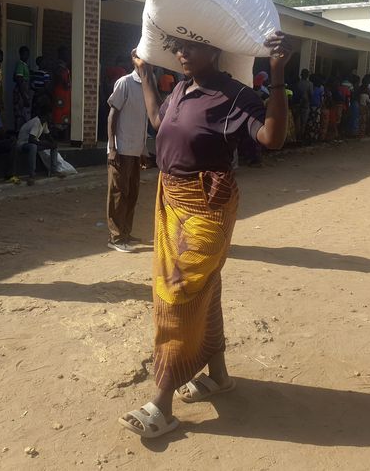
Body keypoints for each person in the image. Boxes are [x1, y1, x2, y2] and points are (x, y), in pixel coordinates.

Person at [118, 31, 291, 438]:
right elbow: (161, 123)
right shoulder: (182, 87)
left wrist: (278, 75)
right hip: (171, 198)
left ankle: (161, 402)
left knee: (178, 292)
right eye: (177, 46)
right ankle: (218, 375)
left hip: (206, 206)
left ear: (215, 49)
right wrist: (145, 77)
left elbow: (273, 138)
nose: (181, 53)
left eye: (190, 46)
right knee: (205, 287)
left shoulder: (235, 96)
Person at [106, 63, 149, 253]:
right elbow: (112, 116)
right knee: (118, 194)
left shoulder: (148, 86)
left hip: (135, 150)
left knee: (132, 194)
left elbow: (143, 120)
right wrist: (112, 148)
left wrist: (143, 149)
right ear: (135, 61)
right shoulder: (124, 83)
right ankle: (115, 238)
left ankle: (125, 232)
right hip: (121, 149)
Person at [16, 109, 61, 186]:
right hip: (23, 144)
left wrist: (53, 143)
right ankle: (32, 175)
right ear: (44, 116)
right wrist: (44, 144)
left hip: (32, 143)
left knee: (54, 146)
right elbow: (31, 139)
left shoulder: (44, 123)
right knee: (33, 147)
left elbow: (48, 135)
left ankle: (54, 170)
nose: (51, 117)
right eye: (49, 116)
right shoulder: (37, 122)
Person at [52, 46, 72, 141]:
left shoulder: (65, 66)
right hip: (60, 94)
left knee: (65, 115)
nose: (68, 56)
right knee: (58, 115)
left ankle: (64, 137)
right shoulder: (59, 66)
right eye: (66, 54)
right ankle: (58, 138)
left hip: (65, 95)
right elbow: (60, 79)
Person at [13, 46, 33, 129]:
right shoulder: (20, 64)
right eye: (24, 54)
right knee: (20, 114)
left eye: (27, 54)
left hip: (25, 92)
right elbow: (19, 81)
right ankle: (18, 133)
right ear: (21, 54)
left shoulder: (25, 65)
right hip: (21, 93)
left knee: (25, 114)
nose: (26, 56)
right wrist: (24, 97)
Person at [304, 75, 324, 144]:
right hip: (317, 108)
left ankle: (308, 137)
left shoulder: (311, 89)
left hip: (311, 107)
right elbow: (321, 100)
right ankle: (314, 137)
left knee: (310, 122)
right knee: (316, 122)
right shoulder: (320, 89)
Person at [295, 69, 312, 141]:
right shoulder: (310, 84)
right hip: (306, 104)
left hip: (297, 103)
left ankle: (296, 137)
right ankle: (301, 138)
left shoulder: (298, 83)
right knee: (303, 122)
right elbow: (311, 94)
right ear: (307, 75)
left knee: (297, 121)